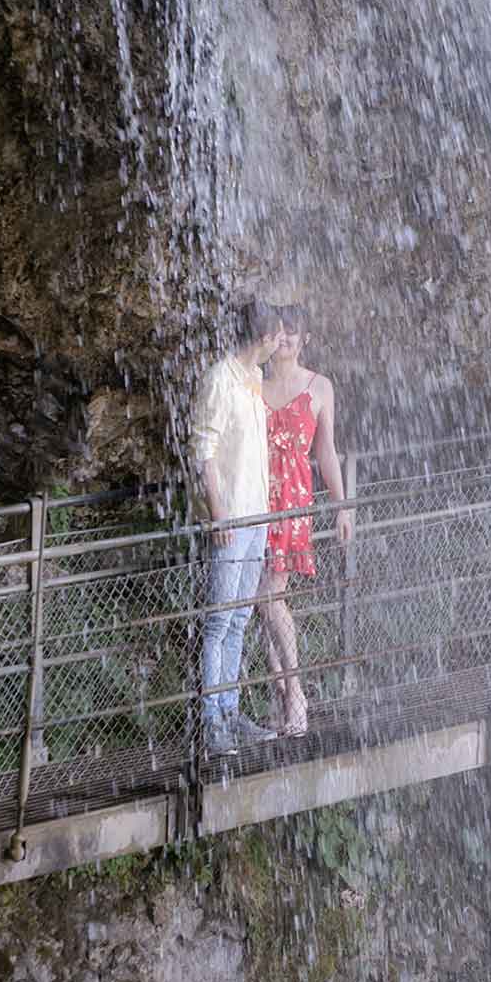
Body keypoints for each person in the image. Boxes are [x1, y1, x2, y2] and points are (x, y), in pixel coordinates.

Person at [188, 298, 288, 755]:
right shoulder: (219, 380)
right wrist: (218, 515)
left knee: (241, 617)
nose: (279, 344)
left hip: (258, 517)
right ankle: (212, 721)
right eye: (278, 337)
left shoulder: (254, 379)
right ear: (265, 338)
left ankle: (229, 709)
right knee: (219, 620)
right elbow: (202, 453)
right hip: (232, 520)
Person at [255, 303, 353, 738]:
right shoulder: (253, 383)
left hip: (291, 503)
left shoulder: (320, 387)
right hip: (254, 498)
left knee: (270, 597)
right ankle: (283, 700)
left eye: (294, 333)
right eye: (281, 333)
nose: (287, 340)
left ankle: (295, 693)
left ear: (305, 339)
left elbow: (326, 452)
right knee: (259, 604)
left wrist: (342, 505)